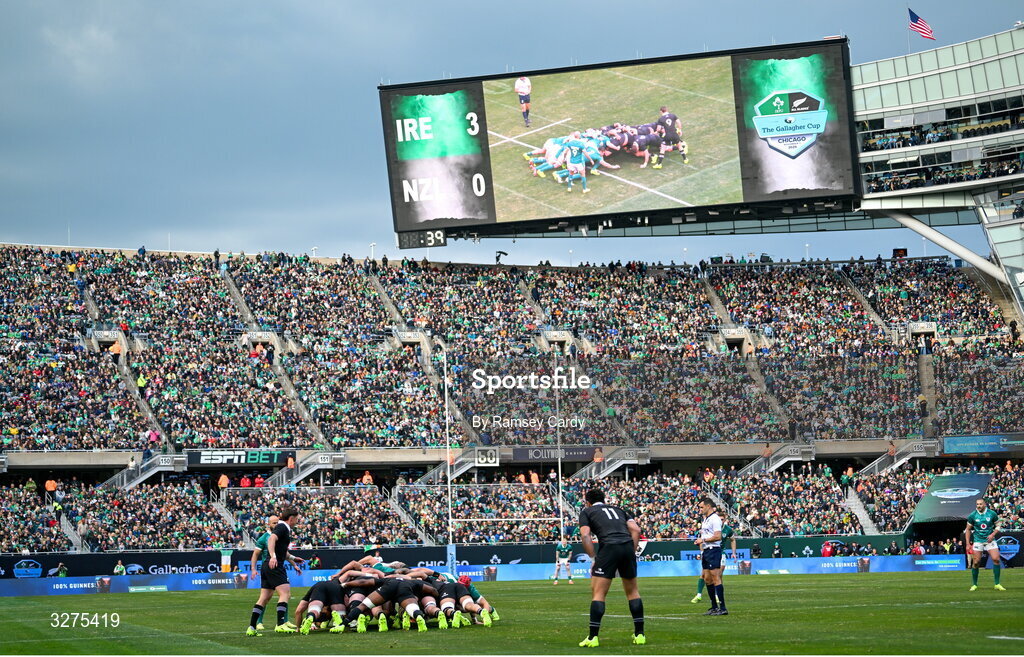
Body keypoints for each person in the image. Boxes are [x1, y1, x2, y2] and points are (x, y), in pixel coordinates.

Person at [577, 488, 645, 648]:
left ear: (588, 502)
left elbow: (585, 535)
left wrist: (593, 558)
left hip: (609, 547)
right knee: (633, 592)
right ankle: (640, 635)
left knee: (598, 593)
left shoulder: (587, 511)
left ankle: (593, 637)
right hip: (627, 546)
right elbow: (636, 529)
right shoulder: (618, 509)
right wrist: (631, 550)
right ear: (604, 499)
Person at [245, 507, 305, 636]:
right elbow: (271, 539)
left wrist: (294, 559)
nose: (297, 522)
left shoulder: (282, 528)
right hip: (275, 565)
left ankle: (251, 627)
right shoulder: (282, 527)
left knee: (264, 598)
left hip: (267, 567)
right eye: (296, 519)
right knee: (285, 594)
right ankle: (281, 624)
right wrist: (273, 556)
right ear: (291, 518)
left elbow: (282, 550)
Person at [695, 497, 728, 616]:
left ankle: (723, 608)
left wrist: (702, 540)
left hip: (714, 550)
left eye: (701, 507)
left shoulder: (715, 519)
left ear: (708, 506)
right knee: (707, 579)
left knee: (715, 577)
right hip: (706, 551)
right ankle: (714, 607)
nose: (700, 509)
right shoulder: (706, 519)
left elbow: (718, 537)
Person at [966, 498, 1006, 592]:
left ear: (985, 504)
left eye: (980, 504)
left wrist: (992, 534)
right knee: (976, 562)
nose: (978, 506)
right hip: (978, 540)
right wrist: (968, 543)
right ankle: (974, 585)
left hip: (989, 540)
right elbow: (968, 529)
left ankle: (997, 584)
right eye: (977, 504)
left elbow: (998, 525)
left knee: (996, 559)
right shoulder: (972, 515)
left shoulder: (992, 513)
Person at [692, 521, 737, 603]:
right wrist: (702, 553)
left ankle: (717, 596)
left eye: (722, 519)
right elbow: (702, 541)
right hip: (708, 552)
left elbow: (733, 540)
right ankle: (699, 595)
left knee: (719, 574)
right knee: (704, 574)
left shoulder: (727, 529)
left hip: (720, 552)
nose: (721, 521)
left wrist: (734, 553)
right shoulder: (710, 528)